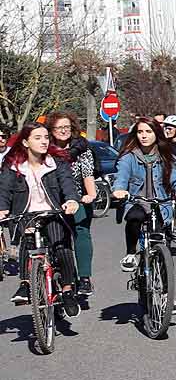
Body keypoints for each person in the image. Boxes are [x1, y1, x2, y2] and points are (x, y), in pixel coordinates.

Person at [0, 122, 82, 307]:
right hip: (26, 214)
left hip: (53, 213)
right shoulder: (13, 166)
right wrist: (2, 208)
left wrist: (71, 200)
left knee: (61, 247)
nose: (44, 142)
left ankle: (68, 290)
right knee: (28, 241)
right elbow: (4, 190)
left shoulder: (57, 163)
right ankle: (25, 284)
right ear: (26, 142)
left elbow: (67, 183)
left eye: (46, 137)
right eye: (37, 138)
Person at [112, 117, 176, 272]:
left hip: (160, 203)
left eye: (148, 131)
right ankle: (131, 253)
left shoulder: (166, 156)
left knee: (161, 242)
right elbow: (121, 175)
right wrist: (119, 189)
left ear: (156, 134)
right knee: (134, 218)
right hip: (137, 201)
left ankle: (164, 290)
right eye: (140, 132)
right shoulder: (129, 157)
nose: (144, 135)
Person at [47, 112, 97, 307]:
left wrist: (90, 194)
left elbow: (87, 174)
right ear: (51, 130)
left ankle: (84, 278)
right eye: (59, 127)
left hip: (77, 197)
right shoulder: (46, 150)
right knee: (58, 240)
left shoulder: (81, 149)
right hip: (52, 199)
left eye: (67, 126)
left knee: (81, 230)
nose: (64, 130)